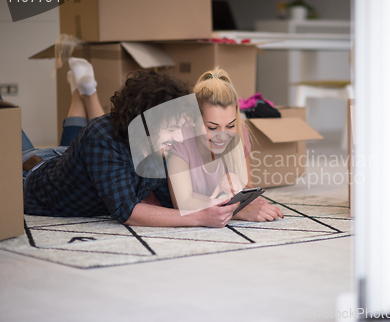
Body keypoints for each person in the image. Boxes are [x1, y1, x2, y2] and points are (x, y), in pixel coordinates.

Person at [22, 58, 239, 228]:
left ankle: (80, 93)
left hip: (68, 160)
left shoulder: (160, 145)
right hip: (28, 172)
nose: (181, 138)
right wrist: (200, 218)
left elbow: (172, 203)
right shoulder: (102, 136)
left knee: (74, 154)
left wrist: (226, 206)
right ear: (147, 124)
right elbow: (127, 212)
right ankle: (83, 93)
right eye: (173, 129)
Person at [167, 67, 283, 221]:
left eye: (230, 126)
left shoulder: (240, 132)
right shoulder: (179, 140)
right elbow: (182, 202)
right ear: (193, 120)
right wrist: (238, 210)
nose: (222, 136)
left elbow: (247, 188)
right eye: (212, 127)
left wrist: (242, 191)